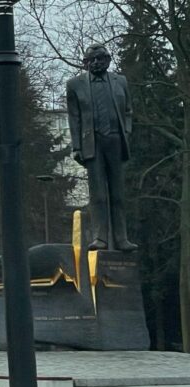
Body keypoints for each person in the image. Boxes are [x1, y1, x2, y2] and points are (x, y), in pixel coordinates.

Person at [66, 43, 138, 252]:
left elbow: (128, 111)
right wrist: (77, 146)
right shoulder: (74, 85)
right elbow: (74, 119)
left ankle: (121, 238)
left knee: (117, 193)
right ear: (85, 63)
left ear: (108, 60)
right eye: (92, 59)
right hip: (93, 143)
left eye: (101, 58)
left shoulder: (120, 81)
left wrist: (127, 131)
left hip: (115, 140)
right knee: (98, 194)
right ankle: (100, 238)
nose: (97, 62)